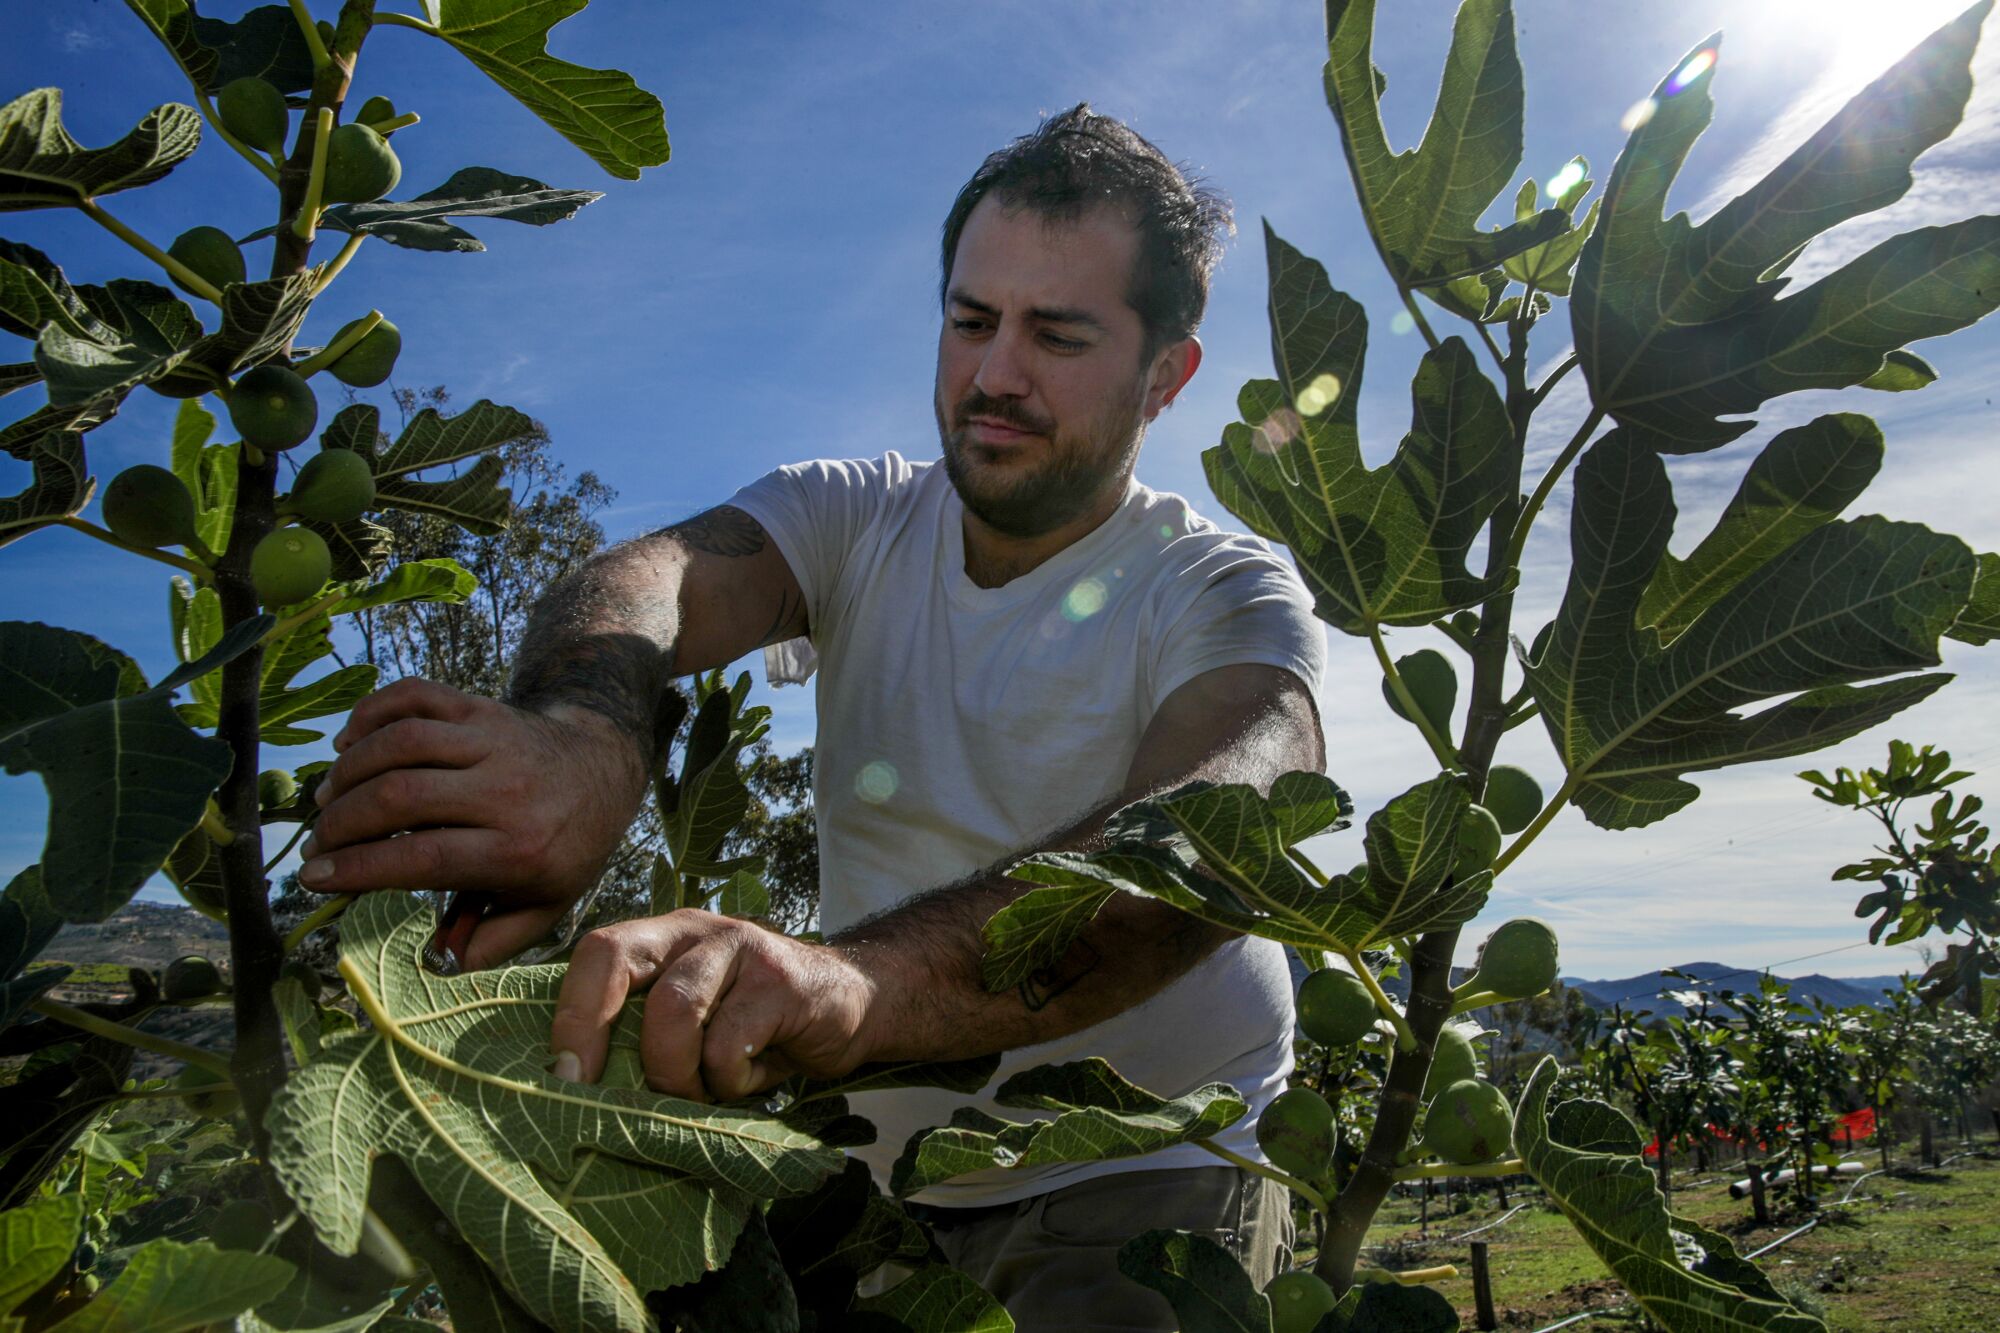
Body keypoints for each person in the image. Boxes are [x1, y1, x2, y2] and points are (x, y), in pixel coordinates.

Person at [299, 104, 1327, 1329]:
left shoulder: (1222, 591)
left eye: (1055, 335)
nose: (994, 374)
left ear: (1166, 374)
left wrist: (850, 989)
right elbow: (655, 579)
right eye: (968, 321)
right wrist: (585, 732)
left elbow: (1212, 838)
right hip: (874, 1179)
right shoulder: (855, 517)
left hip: (1141, 1184)